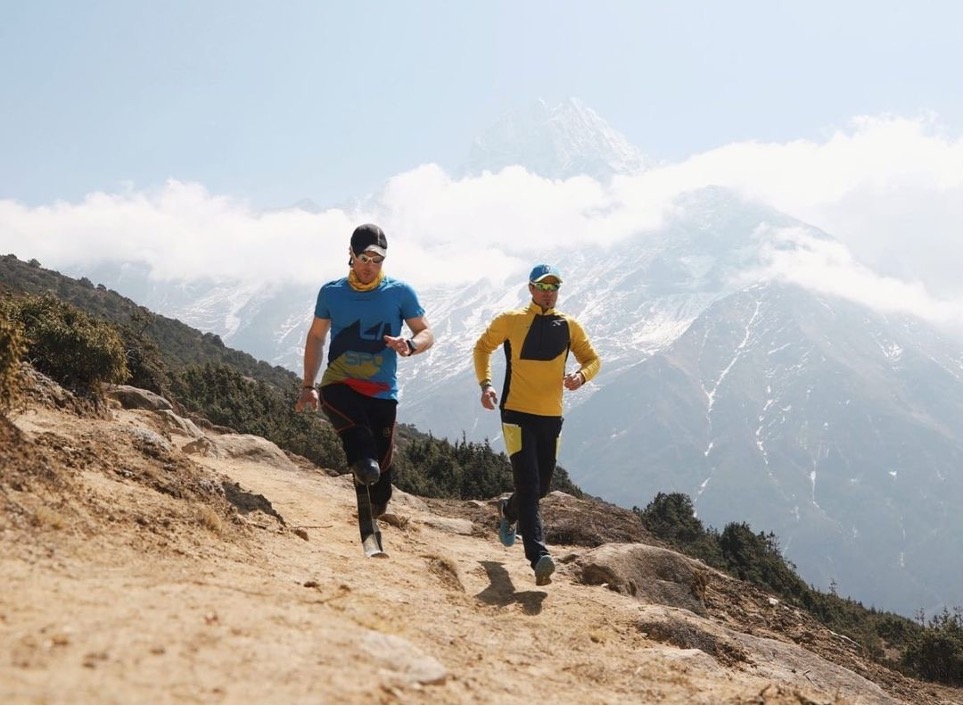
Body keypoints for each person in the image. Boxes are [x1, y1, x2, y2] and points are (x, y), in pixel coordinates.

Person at [295, 223, 433, 550]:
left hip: (383, 393)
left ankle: (374, 504)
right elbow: (316, 337)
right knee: (363, 449)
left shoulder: (400, 292)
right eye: (364, 258)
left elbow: (426, 332)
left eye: (377, 259)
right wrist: (308, 385)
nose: (370, 265)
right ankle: (363, 468)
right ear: (351, 255)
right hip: (339, 384)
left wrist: (411, 345)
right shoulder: (331, 292)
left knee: (381, 483)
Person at [473, 264, 600, 585]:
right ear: (530, 289)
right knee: (529, 485)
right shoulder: (510, 320)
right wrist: (485, 384)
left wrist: (581, 376)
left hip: (550, 416)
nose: (548, 293)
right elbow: (482, 347)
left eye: (553, 287)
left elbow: (593, 359)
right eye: (542, 287)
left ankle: (509, 511)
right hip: (516, 414)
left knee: (540, 488)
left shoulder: (569, 325)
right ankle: (538, 556)